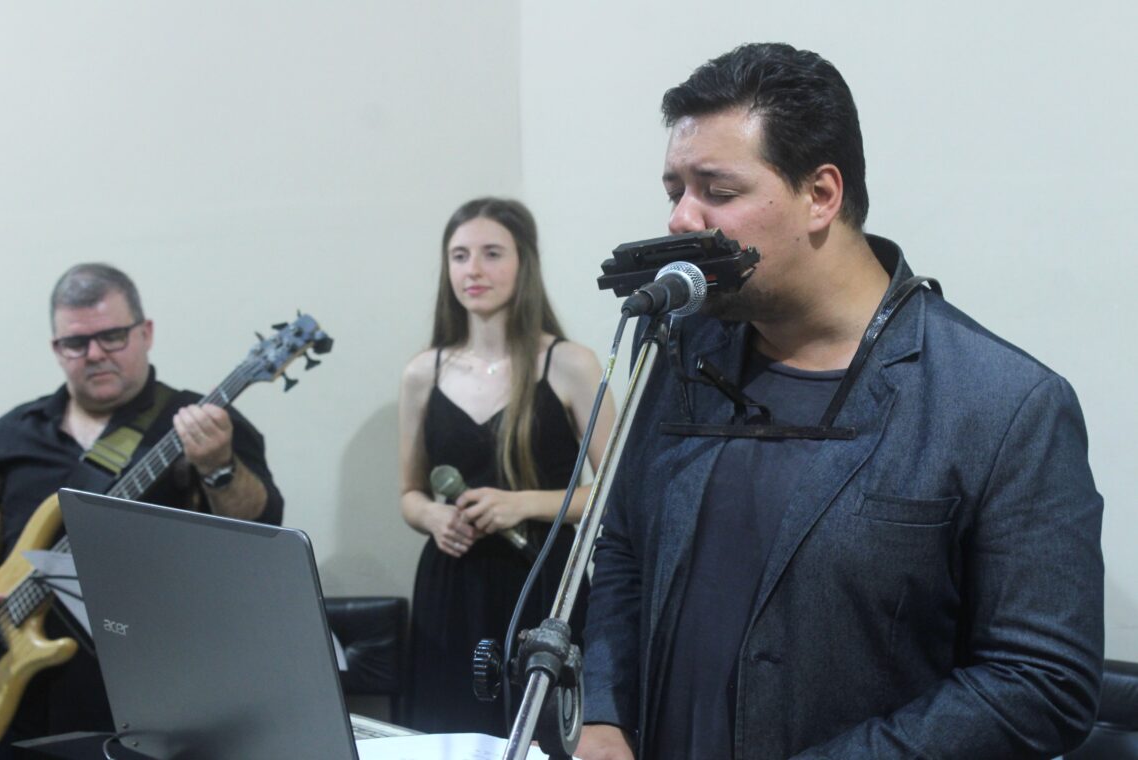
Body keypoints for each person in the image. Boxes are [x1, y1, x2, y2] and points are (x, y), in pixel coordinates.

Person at [577, 43, 1103, 760]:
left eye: (716, 191)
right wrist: (605, 714)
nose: (680, 220)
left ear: (821, 194)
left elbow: (1041, 684)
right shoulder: (676, 356)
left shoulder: (1005, 405)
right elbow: (625, 550)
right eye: (675, 190)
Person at [0, 263, 283, 753]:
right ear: (56, 349)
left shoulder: (204, 424)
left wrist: (217, 467)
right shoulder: (12, 434)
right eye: (76, 343)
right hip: (20, 699)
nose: (95, 354)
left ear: (145, 332)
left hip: (150, 701)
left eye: (112, 336)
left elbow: (259, 530)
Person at [398, 197, 615, 736]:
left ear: (524, 263)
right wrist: (433, 518)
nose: (473, 269)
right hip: (451, 589)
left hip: (543, 584)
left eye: (492, 253)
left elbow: (618, 490)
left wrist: (523, 503)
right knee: (449, 732)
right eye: (459, 255)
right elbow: (408, 492)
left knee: (546, 735)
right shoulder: (422, 373)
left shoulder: (570, 363)